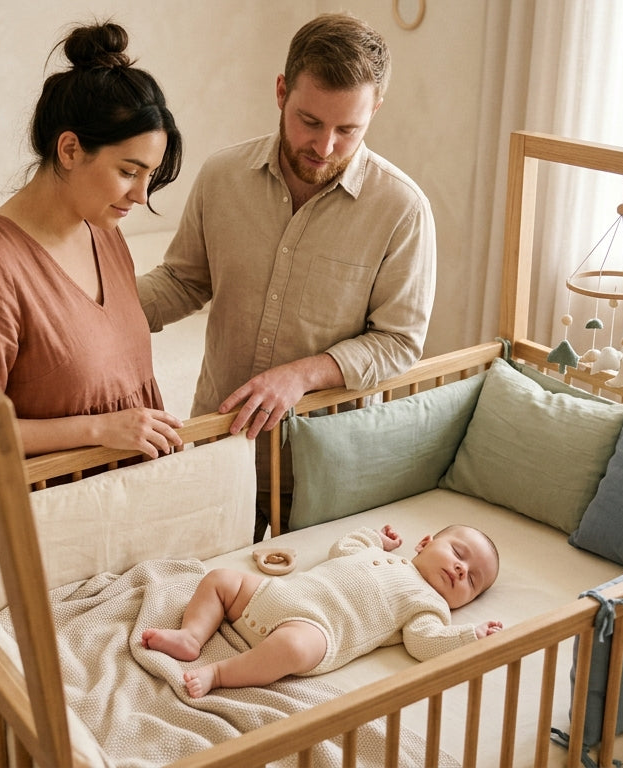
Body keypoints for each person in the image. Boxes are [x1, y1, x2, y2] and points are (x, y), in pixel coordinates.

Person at [135, 13, 436, 536]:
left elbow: (398, 343)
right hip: (220, 446)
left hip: (326, 465)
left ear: (375, 110)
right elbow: (184, 280)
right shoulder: (221, 177)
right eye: (310, 121)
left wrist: (301, 375)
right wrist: (94, 311)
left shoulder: (402, 209)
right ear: (281, 91)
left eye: (348, 130)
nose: (324, 147)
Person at [0, 21, 186, 479]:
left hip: (124, 501)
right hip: (35, 518)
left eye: (150, 175)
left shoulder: (102, 227)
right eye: (129, 171)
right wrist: (97, 429)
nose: (141, 196)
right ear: (69, 149)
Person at [142, 524, 502, 698]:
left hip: (317, 629)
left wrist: (471, 637)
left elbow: (425, 642)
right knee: (220, 579)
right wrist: (377, 539)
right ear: (424, 543)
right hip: (281, 593)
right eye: (458, 554)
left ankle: (219, 674)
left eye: (472, 580)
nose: (460, 570)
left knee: (292, 649)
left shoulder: (430, 605)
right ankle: (192, 635)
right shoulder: (383, 555)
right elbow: (342, 547)